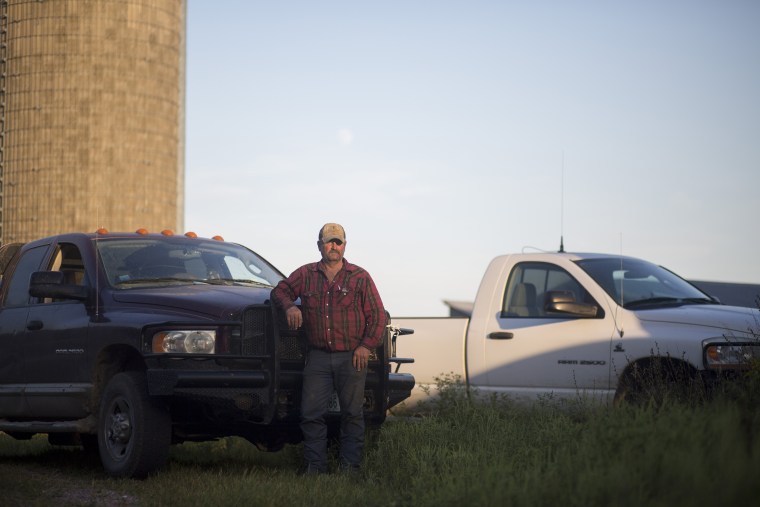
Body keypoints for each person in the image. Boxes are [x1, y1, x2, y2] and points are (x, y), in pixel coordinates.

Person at [270, 223, 386, 475]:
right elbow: (279, 290)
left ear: (345, 245)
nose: (334, 246)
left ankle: (350, 469)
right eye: (329, 241)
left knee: (353, 415)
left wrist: (366, 346)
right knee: (311, 415)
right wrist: (290, 306)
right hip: (318, 357)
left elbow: (377, 316)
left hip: (352, 357)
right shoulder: (306, 274)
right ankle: (315, 468)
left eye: (338, 242)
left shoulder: (360, 277)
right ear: (319, 245)